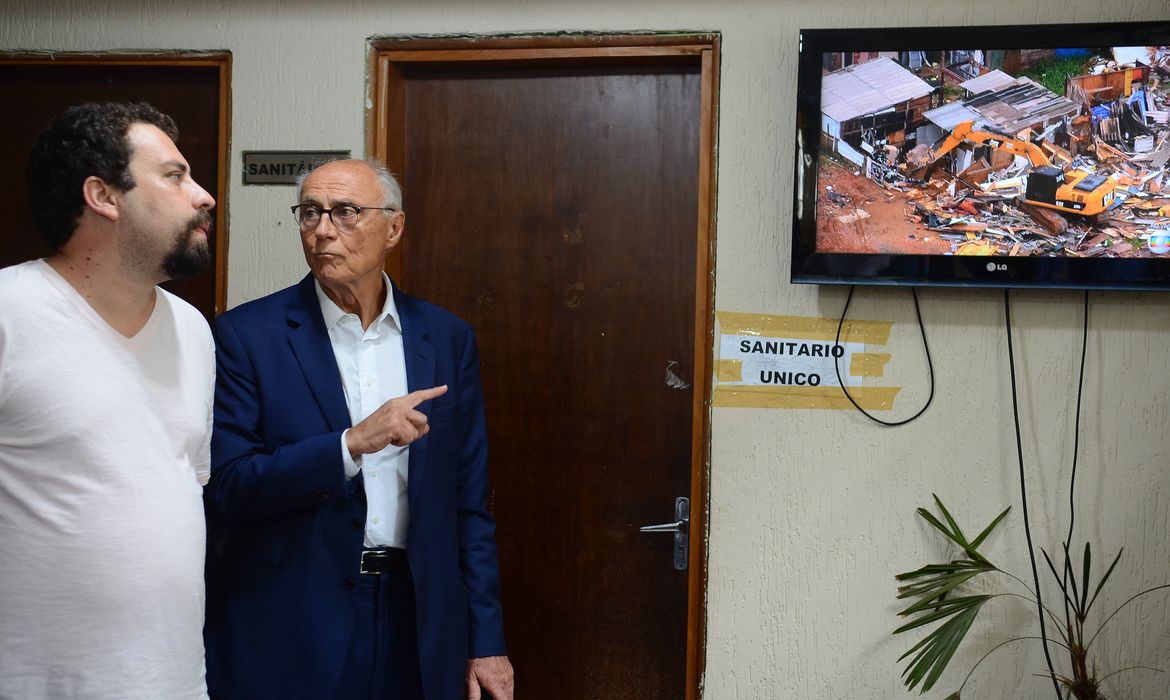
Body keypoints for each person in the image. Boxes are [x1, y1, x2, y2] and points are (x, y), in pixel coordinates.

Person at [205, 158, 514, 700]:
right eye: (310, 213)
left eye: (346, 212)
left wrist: (485, 640)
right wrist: (350, 445)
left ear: (392, 228)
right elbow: (229, 487)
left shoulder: (445, 337)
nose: (323, 231)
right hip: (293, 613)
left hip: (417, 614)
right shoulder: (245, 335)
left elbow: (469, 504)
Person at [0, 102, 217, 699]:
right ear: (103, 195)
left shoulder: (194, 330)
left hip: (173, 682)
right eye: (174, 176)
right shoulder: (10, 313)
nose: (204, 196)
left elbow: (175, 499)